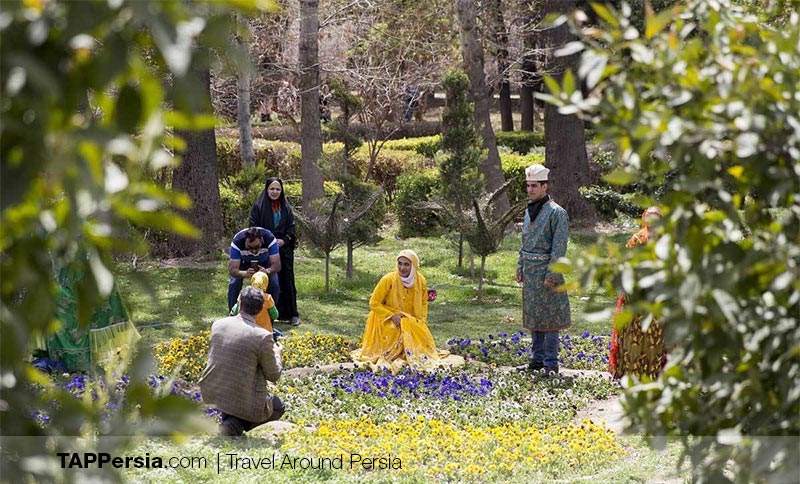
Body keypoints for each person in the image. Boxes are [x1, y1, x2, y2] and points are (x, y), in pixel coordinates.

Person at [199, 287, 284, 437]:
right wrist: (278, 353)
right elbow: (274, 375)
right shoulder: (262, 336)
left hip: (211, 392)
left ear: (239, 303)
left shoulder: (218, 324)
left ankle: (230, 421)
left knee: (234, 390)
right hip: (240, 399)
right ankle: (235, 426)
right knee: (278, 406)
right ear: (260, 309)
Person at [351, 250, 449, 372]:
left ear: (413, 266)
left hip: (409, 319)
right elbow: (374, 303)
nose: (402, 268)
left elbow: (424, 303)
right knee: (394, 332)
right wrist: (392, 316)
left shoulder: (420, 281)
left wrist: (421, 321)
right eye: (400, 263)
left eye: (406, 264)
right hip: (385, 318)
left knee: (419, 343)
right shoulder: (388, 279)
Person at [516, 165, 571, 375]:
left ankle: (550, 362)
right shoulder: (529, 210)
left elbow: (559, 247)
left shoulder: (557, 213)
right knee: (534, 318)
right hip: (530, 272)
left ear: (545, 186)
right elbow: (525, 241)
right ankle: (536, 360)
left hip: (547, 272)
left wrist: (553, 274)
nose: (530, 190)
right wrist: (520, 265)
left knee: (550, 319)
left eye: (534, 186)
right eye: (528, 186)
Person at [609, 207, 666, 379]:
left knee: (655, 335)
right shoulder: (637, 239)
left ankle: (654, 371)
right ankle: (630, 371)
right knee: (633, 334)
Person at [249, 177, 301, 326]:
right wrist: (267, 241)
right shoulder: (258, 207)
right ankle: (265, 313)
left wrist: (284, 240)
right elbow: (253, 227)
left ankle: (292, 314)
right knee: (270, 281)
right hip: (265, 251)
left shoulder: (286, 208)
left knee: (287, 280)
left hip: (284, 250)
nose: (275, 192)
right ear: (267, 190)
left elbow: (291, 228)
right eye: (272, 189)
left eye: (278, 189)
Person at [227, 227, 281, 312]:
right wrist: (244, 273)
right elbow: (233, 270)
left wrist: (267, 271)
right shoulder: (237, 241)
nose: (254, 251)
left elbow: (277, 266)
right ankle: (233, 313)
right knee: (234, 283)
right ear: (245, 241)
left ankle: (270, 313)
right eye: (249, 248)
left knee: (274, 283)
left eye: (257, 247)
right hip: (244, 264)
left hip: (265, 264)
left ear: (261, 240)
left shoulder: (269, 238)